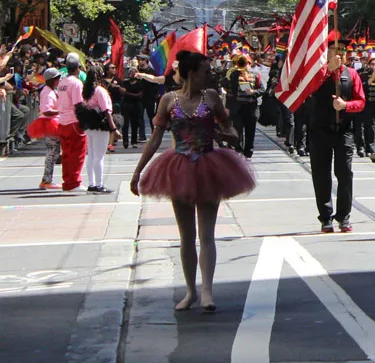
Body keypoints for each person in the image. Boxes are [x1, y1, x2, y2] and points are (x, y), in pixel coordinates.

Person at [131, 50, 255, 311]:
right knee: (186, 235)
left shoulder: (212, 97)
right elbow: (155, 139)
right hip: (178, 168)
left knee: (206, 234)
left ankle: (207, 291)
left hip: (209, 165)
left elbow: (231, 130)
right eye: (206, 72)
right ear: (191, 73)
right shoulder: (168, 100)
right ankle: (190, 292)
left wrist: (226, 135)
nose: (210, 76)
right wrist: (138, 170)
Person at [308, 34, 366, 233]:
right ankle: (326, 217)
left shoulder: (352, 74)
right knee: (321, 175)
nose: (340, 53)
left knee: (345, 173)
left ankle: (344, 216)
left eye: (342, 50)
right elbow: (309, 89)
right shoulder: (317, 73)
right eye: (335, 50)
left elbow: (361, 101)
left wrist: (346, 106)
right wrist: (328, 70)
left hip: (343, 131)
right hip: (320, 130)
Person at [79, 65, 121, 194]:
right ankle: (99, 184)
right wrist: (114, 129)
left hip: (88, 126)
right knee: (99, 156)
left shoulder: (85, 92)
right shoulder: (100, 90)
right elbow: (106, 111)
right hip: (100, 126)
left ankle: (92, 183)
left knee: (91, 155)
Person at [55, 53, 88, 192]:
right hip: (74, 121)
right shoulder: (76, 83)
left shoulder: (62, 82)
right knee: (77, 153)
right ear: (78, 68)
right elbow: (78, 104)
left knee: (67, 153)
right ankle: (74, 182)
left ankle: (68, 181)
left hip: (63, 121)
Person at [27, 68, 63, 189]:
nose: (59, 81)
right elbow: (46, 111)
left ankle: (47, 179)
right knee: (52, 152)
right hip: (50, 123)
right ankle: (46, 180)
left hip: (53, 122)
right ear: (52, 80)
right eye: (57, 79)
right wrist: (61, 111)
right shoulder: (47, 92)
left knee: (54, 152)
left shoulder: (51, 90)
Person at [227, 52, 264, 158]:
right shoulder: (234, 74)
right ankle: (237, 148)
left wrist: (253, 92)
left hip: (250, 107)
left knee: (250, 131)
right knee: (237, 129)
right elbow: (227, 85)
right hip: (238, 108)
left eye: (246, 63)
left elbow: (262, 89)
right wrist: (232, 72)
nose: (244, 65)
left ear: (249, 63)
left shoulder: (256, 75)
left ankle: (249, 150)